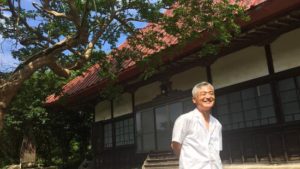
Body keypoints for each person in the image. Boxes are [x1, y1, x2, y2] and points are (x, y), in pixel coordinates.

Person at [171, 81, 222, 169]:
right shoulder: (185, 119)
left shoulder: (217, 124)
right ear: (194, 99)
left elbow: (217, 150)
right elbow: (175, 145)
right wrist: (186, 161)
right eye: (203, 94)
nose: (208, 96)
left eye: (211, 93)